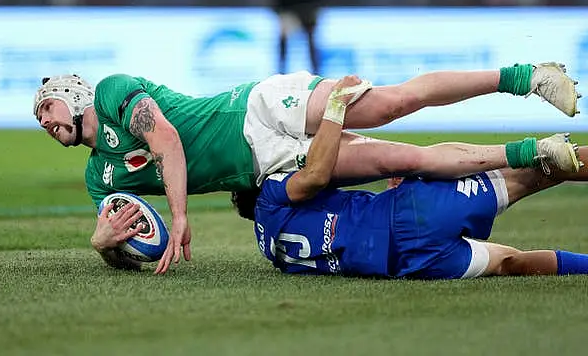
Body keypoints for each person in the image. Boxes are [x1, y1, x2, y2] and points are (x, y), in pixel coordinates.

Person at [34, 62, 580, 274]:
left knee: (389, 104)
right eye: (38, 120)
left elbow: (167, 140)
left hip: (253, 110)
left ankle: (524, 76)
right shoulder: (95, 179)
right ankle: (534, 152)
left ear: (71, 91)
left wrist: (178, 214)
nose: (44, 121)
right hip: (267, 166)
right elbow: (128, 234)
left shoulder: (110, 94)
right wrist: (102, 243)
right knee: (403, 159)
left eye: (47, 108)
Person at [231, 76, 588, 279]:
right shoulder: (274, 192)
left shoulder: (272, 252)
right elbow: (315, 175)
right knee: (542, 170)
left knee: (507, 263)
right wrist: (335, 107)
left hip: (412, 262)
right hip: (410, 216)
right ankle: (530, 141)